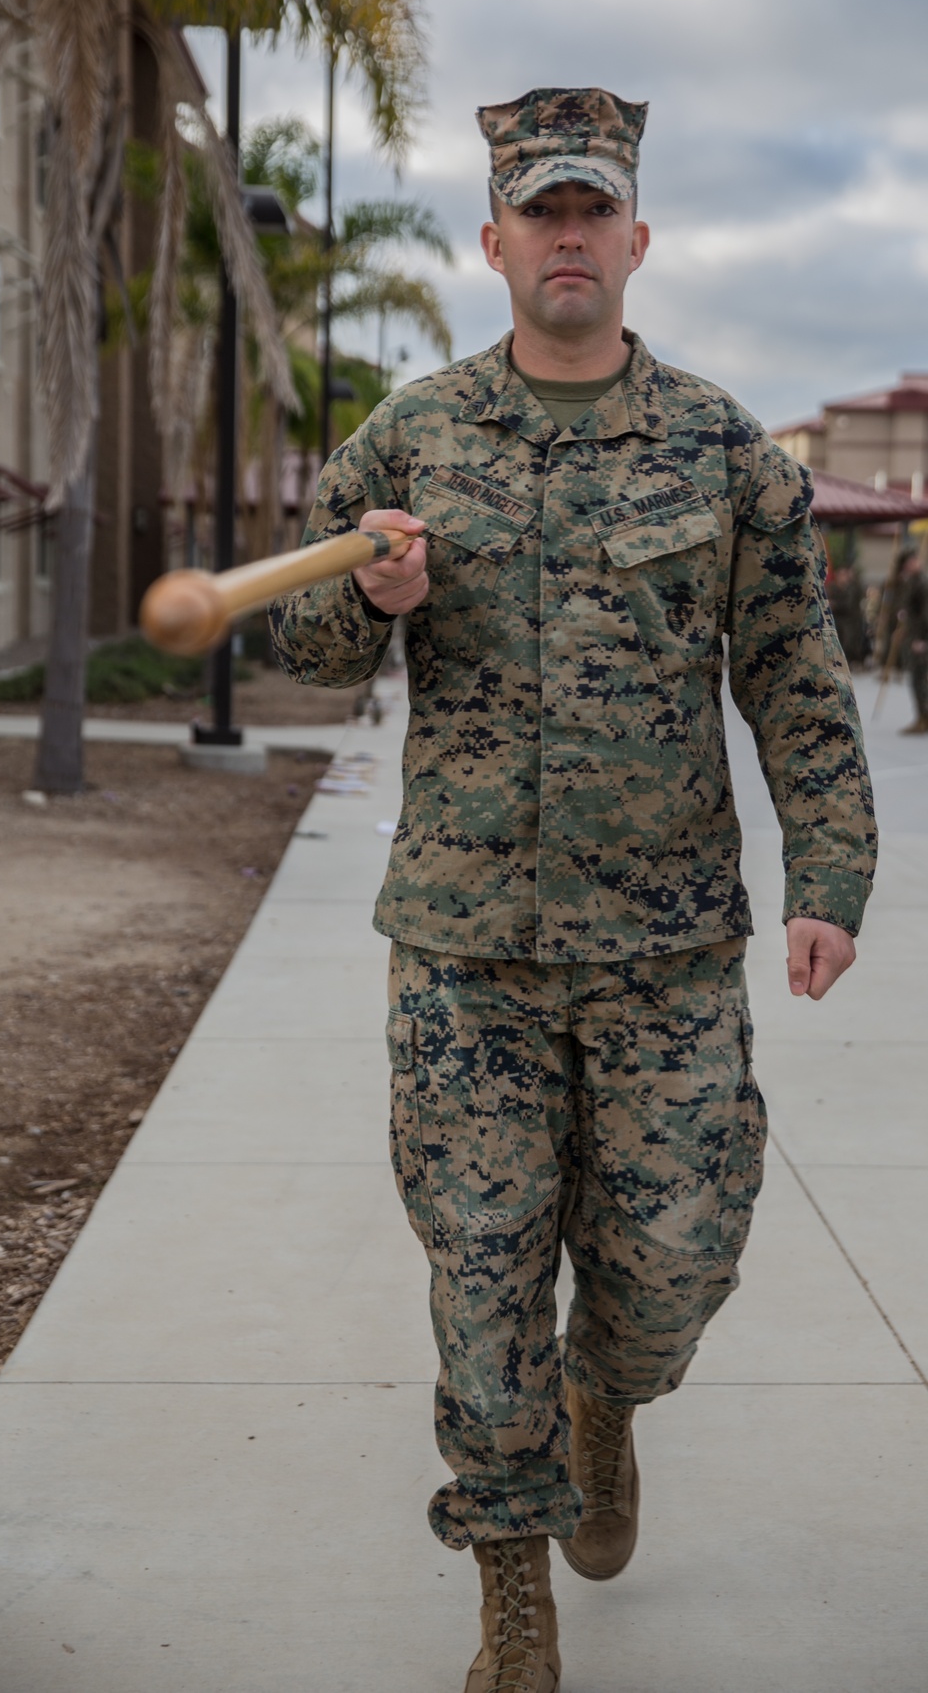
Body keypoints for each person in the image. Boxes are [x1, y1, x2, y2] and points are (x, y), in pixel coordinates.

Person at [269, 87, 877, 1693]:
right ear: (493, 240)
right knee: (479, 1262)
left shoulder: (726, 448)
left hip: (668, 952)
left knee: (678, 1255)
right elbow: (304, 647)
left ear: (636, 239)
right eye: (538, 211)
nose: (565, 235)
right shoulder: (409, 440)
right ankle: (511, 1592)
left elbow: (800, 683)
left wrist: (832, 876)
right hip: (467, 952)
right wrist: (371, 599)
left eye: (590, 209)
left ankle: (611, 1391)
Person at [896, 546, 928, 733]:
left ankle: (924, 718)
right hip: (912, 635)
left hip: (921, 639)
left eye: (911, 562)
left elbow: (926, 614)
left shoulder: (922, 583)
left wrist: (922, 639)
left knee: (920, 679)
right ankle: (921, 716)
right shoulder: (911, 581)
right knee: (916, 679)